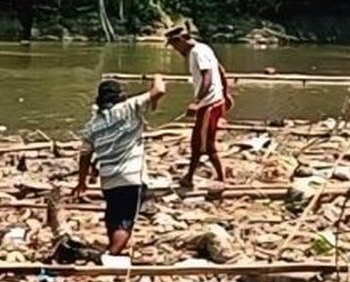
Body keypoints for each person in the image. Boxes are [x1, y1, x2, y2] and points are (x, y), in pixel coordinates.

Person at [73, 75, 167, 255]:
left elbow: (85, 155)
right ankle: (111, 254)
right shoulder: (129, 107)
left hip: (108, 179)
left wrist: (81, 182)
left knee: (113, 216)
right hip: (131, 176)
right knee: (126, 220)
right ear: (118, 96)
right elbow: (159, 91)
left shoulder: (93, 124)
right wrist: (157, 77)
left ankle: (112, 248)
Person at [165, 26, 232, 187]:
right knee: (200, 142)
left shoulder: (196, 52)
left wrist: (196, 102)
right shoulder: (204, 48)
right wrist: (226, 93)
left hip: (208, 104)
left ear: (181, 41)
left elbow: (207, 77)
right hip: (215, 101)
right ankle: (190, 176)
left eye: (175, 46)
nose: (176, 50)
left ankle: (218, 177)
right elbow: (221, 71)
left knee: (204, 144)